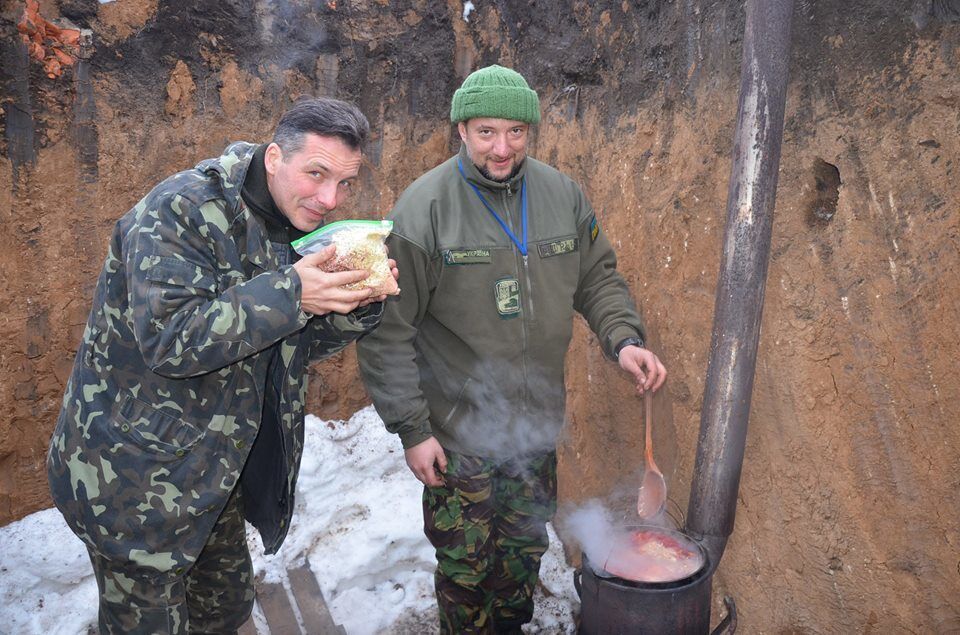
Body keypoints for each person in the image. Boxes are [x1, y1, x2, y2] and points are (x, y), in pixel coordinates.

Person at [47, 97, 396, 634]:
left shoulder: (290, 220)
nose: (329, 199)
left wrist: (358, 302)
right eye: (317, 174)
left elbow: (285, 344)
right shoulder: (179, 210)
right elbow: (171, 339)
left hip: (215, 476)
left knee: (224, 612)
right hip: (132, 482)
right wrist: (295, 292)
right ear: (275, 156)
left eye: (344, 183)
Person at [356, 65, 667, 634]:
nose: (503, 148)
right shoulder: (422, 210)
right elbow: (387, 331)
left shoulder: (561, 195)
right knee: (467, 572)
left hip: (536, 429)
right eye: (487, 132)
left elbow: (597, 279)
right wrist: (412, 429)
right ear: (461, 130)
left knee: (521, 561)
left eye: (516, 132)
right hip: (458, 436)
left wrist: (623, 340)